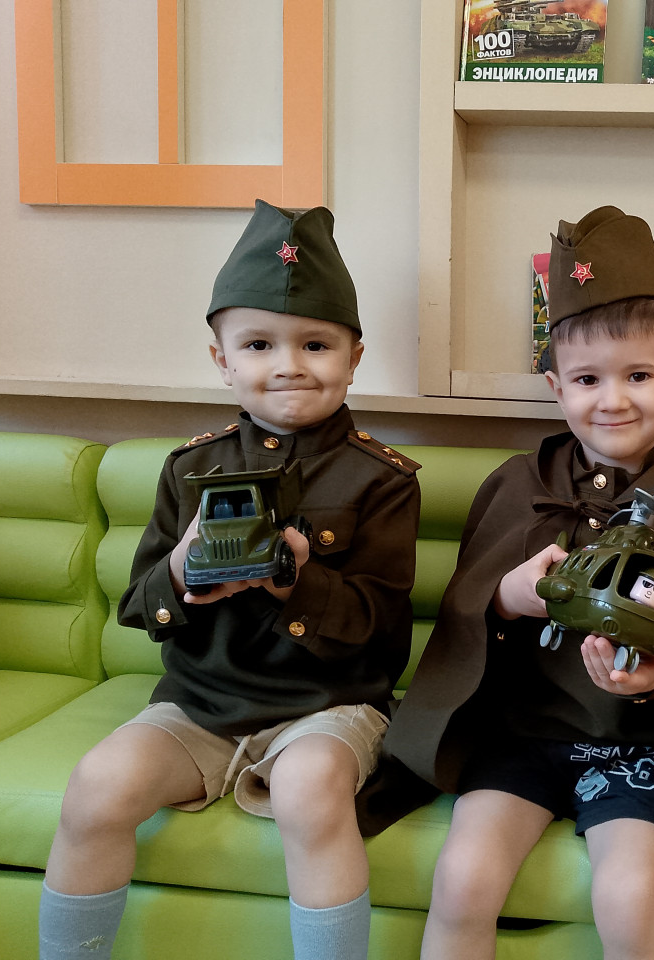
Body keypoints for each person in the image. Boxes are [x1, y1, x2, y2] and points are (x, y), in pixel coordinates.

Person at [385, 205, 654, 960]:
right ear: (556, 386)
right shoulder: (516, 487)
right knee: (462, 877)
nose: (613, 400)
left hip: (637, 746)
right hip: (521, 736)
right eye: (588, 378)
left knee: (631, 895)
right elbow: (466, 615)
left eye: (639, 376)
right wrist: (508, 598)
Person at [39, 200, 421, 960]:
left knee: (309, 793)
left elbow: (383, 628)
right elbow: (138, 608)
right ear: (221, 359)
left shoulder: (383, 479)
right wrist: (182, 570)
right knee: (96, 786)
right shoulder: (190, 468)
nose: (288, 364)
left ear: (354, 357)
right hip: (200, 705)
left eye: (316, 344)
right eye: (257, 344)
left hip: (329, 706)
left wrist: (294, 585)